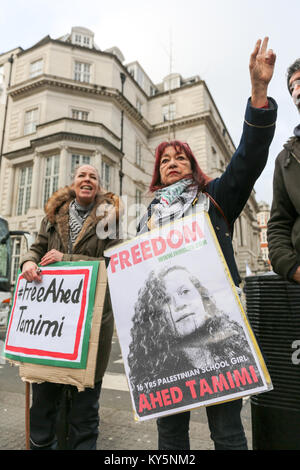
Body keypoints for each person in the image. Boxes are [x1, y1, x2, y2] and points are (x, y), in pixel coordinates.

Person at [136, 38, 277, 450]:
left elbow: (249, 158)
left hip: (217, 335)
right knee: (171, 435)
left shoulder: (215, 197)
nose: (173, 161)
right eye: (166, 160)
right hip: (166, 342)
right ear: (158, 176)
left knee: (228, 433)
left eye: (181, 157)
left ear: (192, 167)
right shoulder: (146, 220)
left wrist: (258, 92)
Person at [20, 164, 122, 450]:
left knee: (85, 413)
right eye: (82, 175)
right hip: (50, 329)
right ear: (74, 183)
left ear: (98, 186)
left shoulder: (109, 220)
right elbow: (38, 248)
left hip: (91, 328)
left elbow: (115, 262)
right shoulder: (52, 216)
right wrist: (28, 261)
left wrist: (68, 259)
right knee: (42, 408)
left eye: (93, 177)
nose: (87, 179)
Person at [128, 265, 260, 416]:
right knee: (172, 431)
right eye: (165, 300)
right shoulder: (155, 375)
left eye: (185, 292)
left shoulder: (237, 349)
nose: (179, 304)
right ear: (156, 316)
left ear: (202, 296)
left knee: (228, 428)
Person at [267, 58, 300, 283]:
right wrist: (292, 267)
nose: (296, 91)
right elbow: (279, 224)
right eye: (292, 87)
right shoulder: (285, 160)